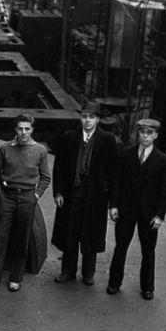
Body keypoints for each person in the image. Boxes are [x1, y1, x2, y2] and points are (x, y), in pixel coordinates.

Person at [51, 100, 117, 285]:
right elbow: (60, 167)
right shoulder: (69, 138)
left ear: (97, 120)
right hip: (72, 191)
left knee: (90, 233)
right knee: (70, 231)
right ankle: (67, 271)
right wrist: (58, 192)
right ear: (81, 117)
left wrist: (112, 201)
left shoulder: (107, 140)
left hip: (95, 194)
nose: (87, 121)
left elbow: (113, 171)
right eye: (85, 117)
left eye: (92, 117)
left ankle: (88, 273)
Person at [0, 114, 50, 293]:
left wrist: (35, 196)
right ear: (15, 129)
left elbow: (45, 177)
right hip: (7, 196)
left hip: (27, 198)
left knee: (21, 239)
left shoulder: (40, 150)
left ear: (32, 130)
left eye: (27, 129)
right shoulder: (5, 148)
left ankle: (15, 278)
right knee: (0, 237)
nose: (23, 132)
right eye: (20, 128)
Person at [108, 117, 166, 300]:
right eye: (142, 132)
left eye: (149, 133)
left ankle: (148, 287)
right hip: (126, 210)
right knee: (121, 247)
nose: (145, 136)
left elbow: (164, 190)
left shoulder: (162, 160)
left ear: (155, 135)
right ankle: (114, 283)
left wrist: (159, 215)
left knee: (148, 251)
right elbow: (116, 182)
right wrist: (114, 205)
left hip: (149, 214)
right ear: (138, 133)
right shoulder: (126, 154)